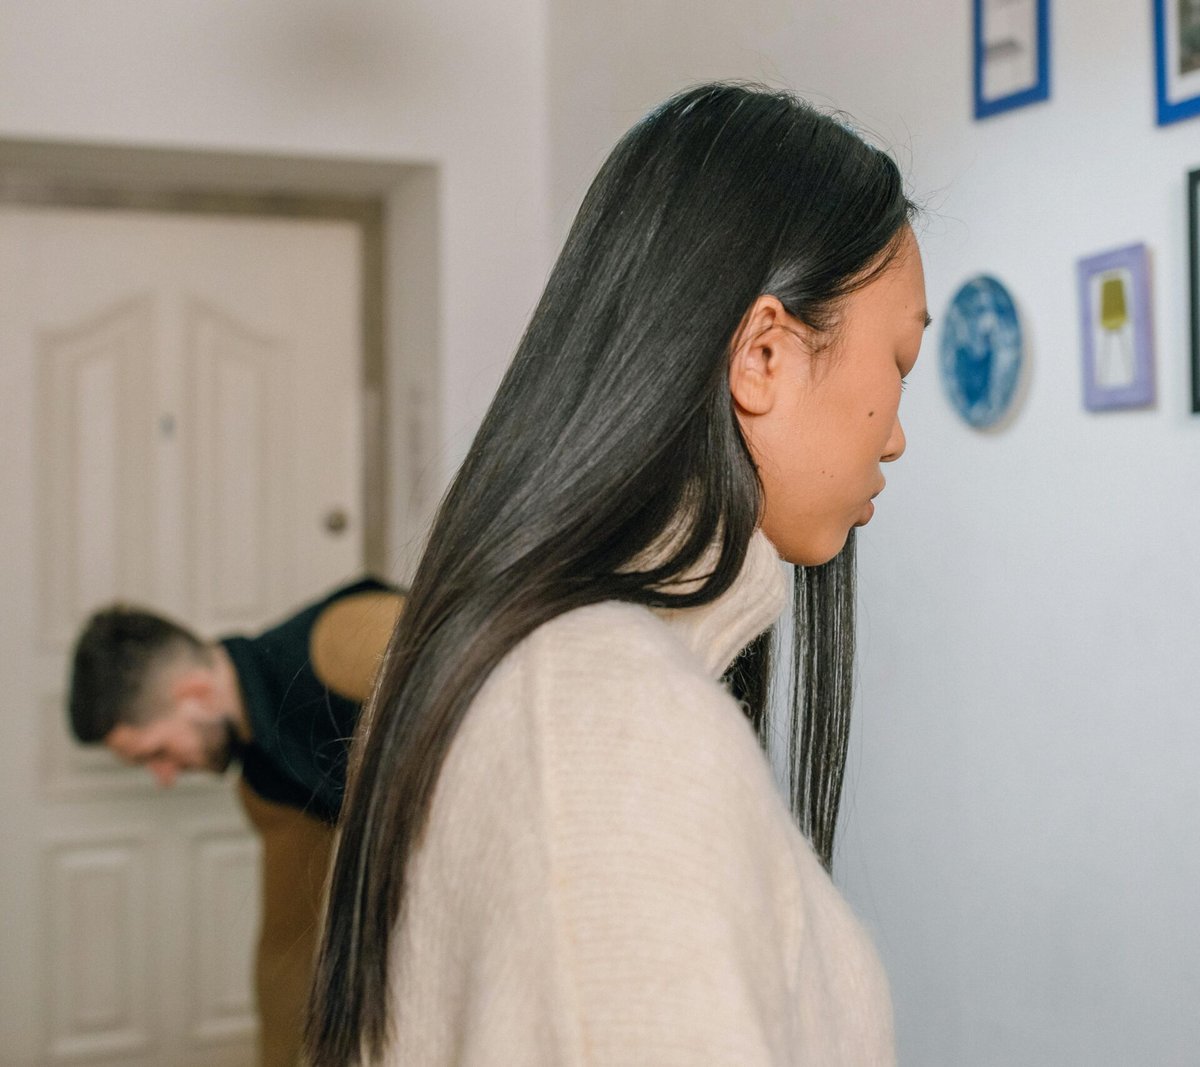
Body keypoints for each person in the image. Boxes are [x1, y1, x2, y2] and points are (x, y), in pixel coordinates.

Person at [308, 83, 927, 1067]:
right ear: (763, 354)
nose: (895, 435)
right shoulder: (604, 722)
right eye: (897, 360)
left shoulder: (560, 667)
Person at [68, 578, 403, 1067]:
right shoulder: (268, 784)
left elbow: (489, 652)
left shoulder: (335, 642)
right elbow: (286, 949)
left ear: (198, 694)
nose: (163, 777)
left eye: (156, 753)